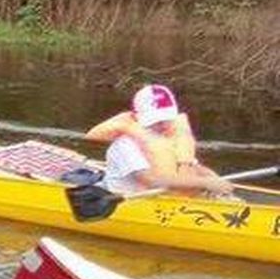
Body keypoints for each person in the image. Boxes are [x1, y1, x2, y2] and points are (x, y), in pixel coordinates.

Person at [86, 83, 233, 197]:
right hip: (135, 200)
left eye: (167, 118)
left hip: (168, 200)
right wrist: (205, 183)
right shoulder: (125, 144)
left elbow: (194, 166)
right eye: (156, 121)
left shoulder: (173, 136)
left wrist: (213, 178)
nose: (164, 125)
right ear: (138, 117)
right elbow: (150, 180)